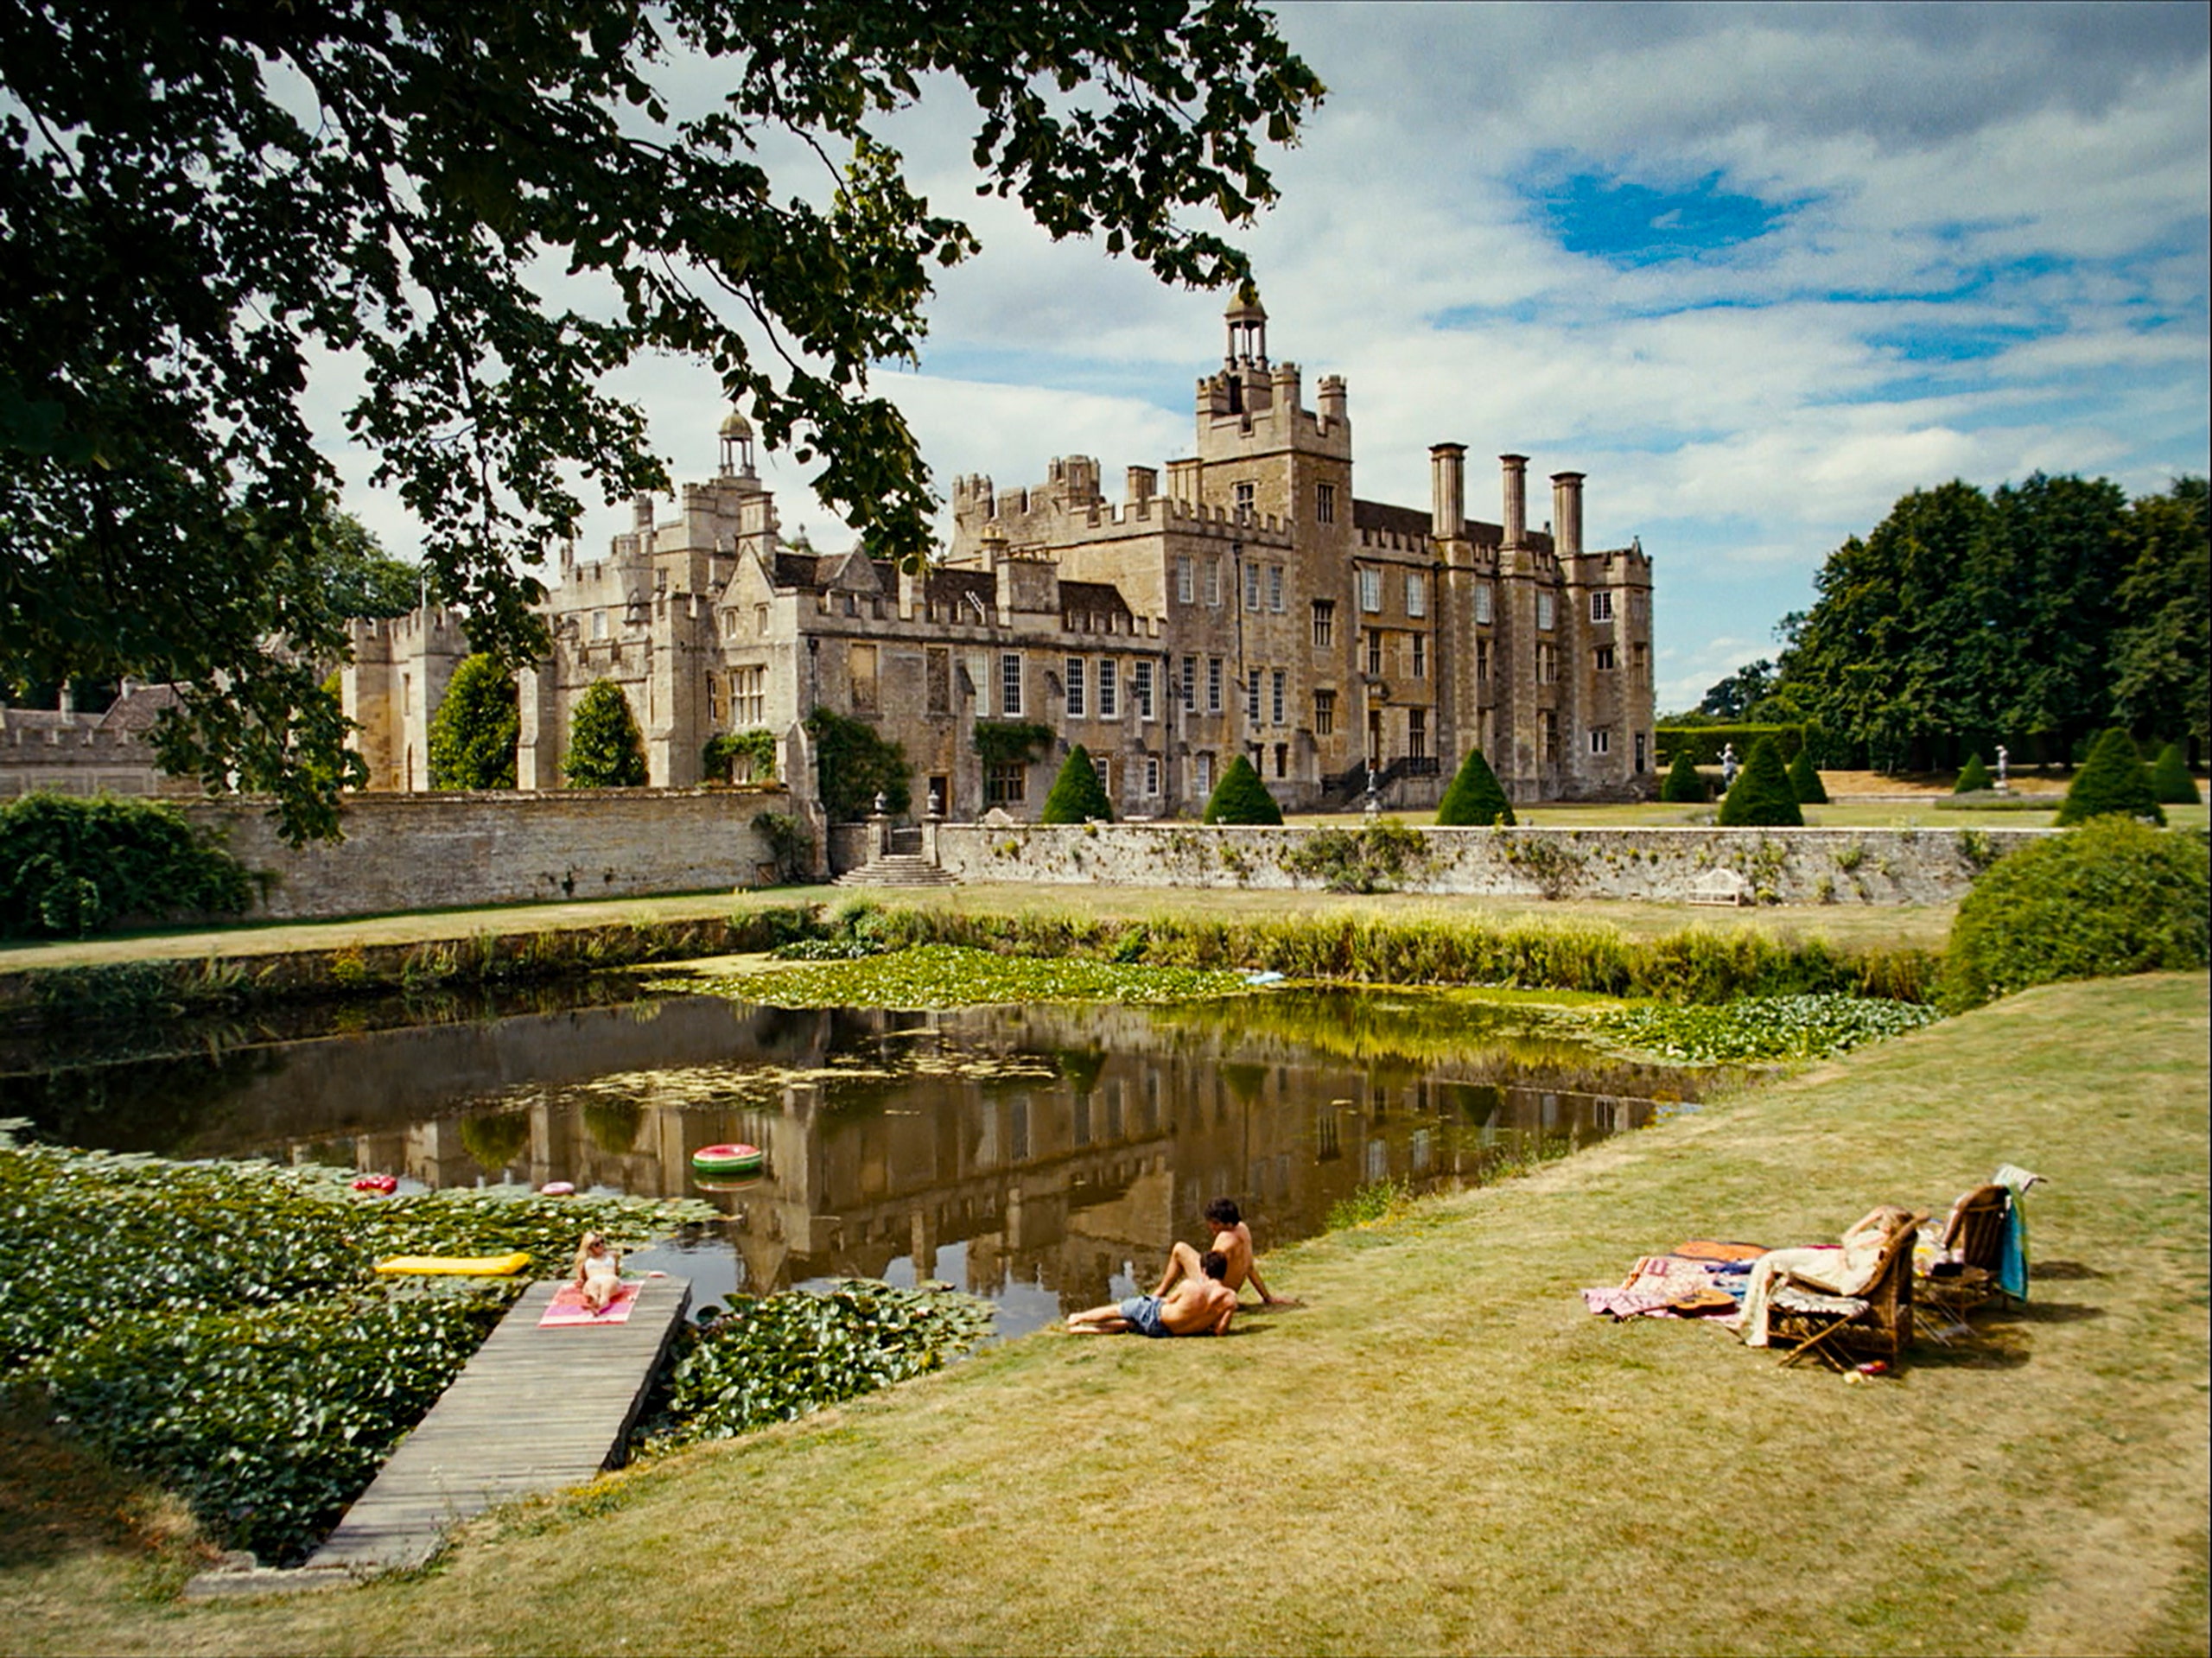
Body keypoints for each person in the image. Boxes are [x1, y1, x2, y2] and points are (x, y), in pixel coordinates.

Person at [1734, 1205, 1921, 1347]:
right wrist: (1867, 1219)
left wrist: (1845, 1260)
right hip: (1825, 1258)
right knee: (1768, 1259)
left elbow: (1850, 1286)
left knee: (1769, 1272)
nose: (1877, 1224)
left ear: (1889, 1228)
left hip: (1828, 1274)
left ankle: (1755, 1329)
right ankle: (1747, 1320)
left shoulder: (1878, 1256)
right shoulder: (1878, 1237)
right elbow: (1846, 1238)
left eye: (1880, 1221)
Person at [1154, 1196, 1293, 1306]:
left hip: (1217, 1290)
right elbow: (1250, 1268)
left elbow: (1210, 1272)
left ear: (1227, 1223)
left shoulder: (1225, 1238)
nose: (1211, 1227)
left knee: (1179, 1249)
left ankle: (1158, 1295)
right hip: (1231, 1289)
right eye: (1211, 1222)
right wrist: (1267, 1297)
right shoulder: (1244, 1230)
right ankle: (1160, 1295)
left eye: (1215, 1223)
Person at [1067, 1249, 1238, 1338]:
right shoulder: (1230, 1299)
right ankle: (1085, 1330)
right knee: (1127, 1324)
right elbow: (1220, 1331)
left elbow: (1169, 1301)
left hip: (1156, 1316)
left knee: (1119, 1310)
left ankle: (1078, 1318)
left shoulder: (1190, 1287)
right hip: (1167, 1332)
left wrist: (1156, 1298)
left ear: (1204, 1270)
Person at [572, 1231, 624, 1312]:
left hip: (610, 1278)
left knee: (607, 1287)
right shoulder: (584, 1260)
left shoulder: (612, 1255)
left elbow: (617, 1272)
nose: (601, 1245)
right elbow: (581, 1278)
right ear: (589, 1247)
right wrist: (579, 1282)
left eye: (602, 1242)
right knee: (592, 1285)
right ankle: (594, 1302)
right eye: (596, 1244)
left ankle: (600, 1306)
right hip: (594, 1279)